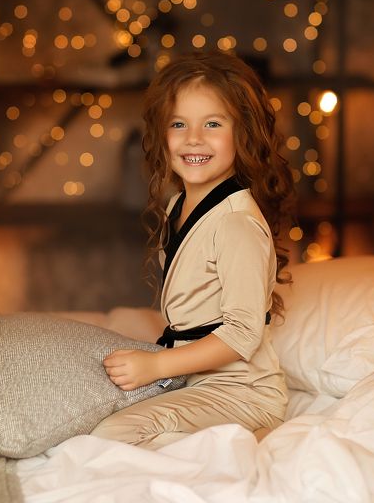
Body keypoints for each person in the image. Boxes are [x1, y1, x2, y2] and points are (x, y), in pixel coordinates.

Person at [91, 50, 294, 449]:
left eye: (213, 123)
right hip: (197, 381)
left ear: (243, 133)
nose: (193, 138)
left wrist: (156, 365)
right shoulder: (178, 205)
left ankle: (243, 445)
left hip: (244, 393)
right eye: (178, 123)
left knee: (113, 435)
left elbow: (242, 335)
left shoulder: (236, 224)